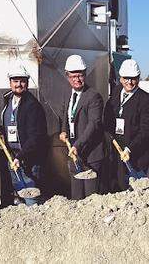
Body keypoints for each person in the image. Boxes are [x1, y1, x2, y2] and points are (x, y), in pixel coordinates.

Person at [103, 59, 149, 192]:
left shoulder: (147, 101)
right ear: (121, 78)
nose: (129, 82)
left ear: (138, 78)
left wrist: (130, 148)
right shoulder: (116, 94)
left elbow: (146, 131)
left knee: (135, 192)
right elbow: (107, 118)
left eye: (133, 78)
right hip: (117, 152)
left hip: (136, 156)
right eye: (126, 78)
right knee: (117, 188)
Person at [0, 64, 47, 206]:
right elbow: (10, 122)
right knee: (19, 195)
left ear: (27, 83)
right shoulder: (8, 100)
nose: (19, 84)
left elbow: (36, 136)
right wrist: (1, 131)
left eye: (22, 81)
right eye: (15, 81)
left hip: (28, 160)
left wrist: (21, 156)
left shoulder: (32, 106)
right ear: (10, 82)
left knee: (31, 197)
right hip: (12, 157)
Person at [58, 55, 105, 199]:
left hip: (90, 155)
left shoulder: (93, 96)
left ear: (85, 75)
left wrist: (78, 145)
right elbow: (64, 116)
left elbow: (93, 124)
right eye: (73, 76)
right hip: (74, 153)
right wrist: (63, 130)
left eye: (80, 75)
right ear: (67, 76)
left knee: (91, 198)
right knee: (77, 196)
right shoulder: (67, 95)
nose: (77, 79)